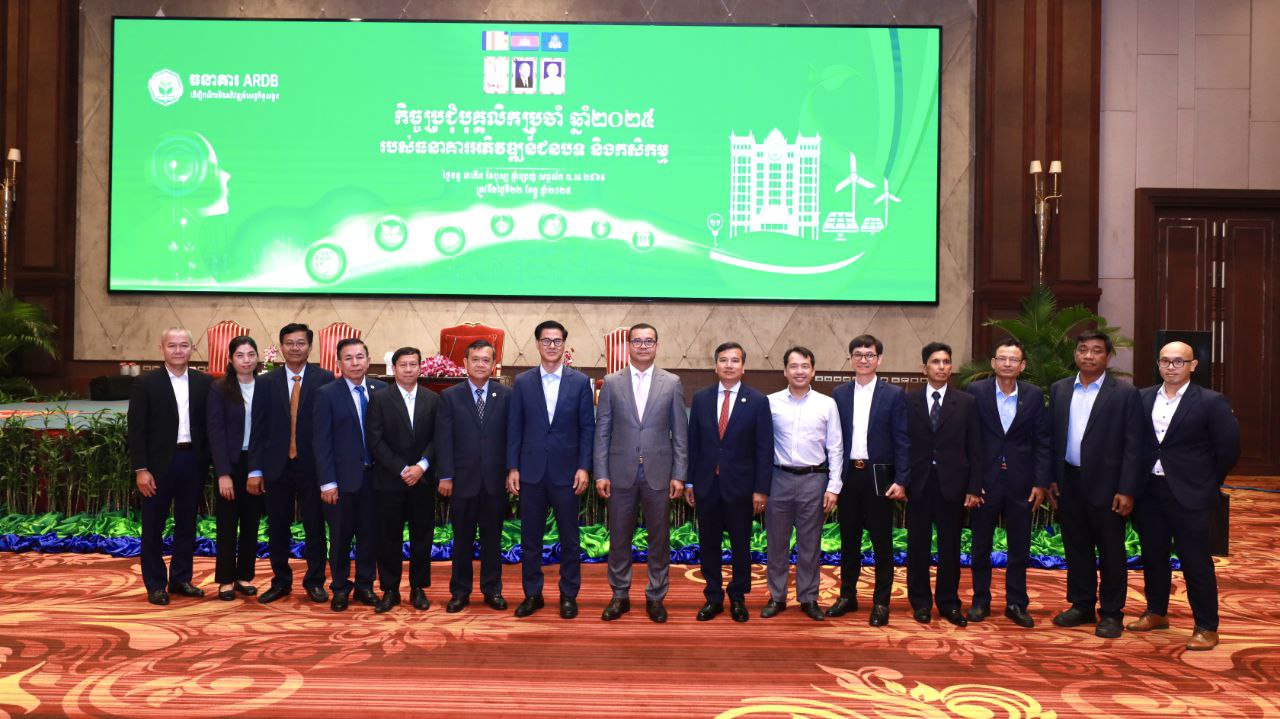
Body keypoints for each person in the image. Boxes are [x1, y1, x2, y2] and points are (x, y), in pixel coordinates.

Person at [1128, 341, 1239, 650]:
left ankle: (1206, 626)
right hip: (1149, 490)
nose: (1171, 367)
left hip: (1191, 493)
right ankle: (1156, 611)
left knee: (1195, 561)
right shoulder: (1142, 397)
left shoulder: (1211, 401)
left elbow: (1228, 449)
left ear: (1193, 366)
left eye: (1179, 361)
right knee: (1153, 555)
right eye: (1165, 361)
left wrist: (1207, 482)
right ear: (1158, 364)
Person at [1047, 330, 1143, 639]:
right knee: (1077, 547)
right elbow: (1052, 438)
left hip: (1109, 486)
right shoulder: (1060, 389)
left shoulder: (1125, 393)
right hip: (1069, 481)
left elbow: (1134, 446)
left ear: (1108, 356)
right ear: (1075, 354)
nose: (1089, 355)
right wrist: (1051, 478)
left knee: (1111, 552)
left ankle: (1112, 612)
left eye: (1096, 350)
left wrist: (1127, 489)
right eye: (1083, 349)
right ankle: (1082, 605)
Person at [594, 323, 689, 623]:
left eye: (649, 341)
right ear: (628, 346)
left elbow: (680, 433)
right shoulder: (612, 383)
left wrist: (679, 474)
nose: (643, 346)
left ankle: (656, 596)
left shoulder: (671, 382)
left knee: (658, 540)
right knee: (619, 538)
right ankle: (619, 595)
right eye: (637, 341)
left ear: (656, 345)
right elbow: (602, 431)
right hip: (619, 472)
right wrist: (600, 472)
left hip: (659, 473)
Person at [507, 320, 595, 619]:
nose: (552, 346)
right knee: (530, 538)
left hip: (567, 473)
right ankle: (533, 594)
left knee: (569, 538)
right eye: (546, 340)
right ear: (537, 344)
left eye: (557, 341)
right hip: (531, 471)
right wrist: (513, 467)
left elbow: (587, 429)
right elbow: (515, 428)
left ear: (564, 345)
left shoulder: (580, 382)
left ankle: (568, 595)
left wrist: (584, 467)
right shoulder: (522, 382)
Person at [684, 341, 773, 622]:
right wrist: (689, 482)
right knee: (708, 544)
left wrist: (761, 489)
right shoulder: (701, 398)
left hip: (741, 488)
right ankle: (713, 597)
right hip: (707, 485)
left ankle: (737, 597)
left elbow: (764, 449)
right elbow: (693, 444)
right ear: (715, 366)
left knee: (740, 545)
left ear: (743, 367)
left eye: (735, 360)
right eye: (723, 360)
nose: (729, 365)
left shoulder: (757, 401)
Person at [965, 338, 1050, 627]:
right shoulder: (976, 391)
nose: (1007, 364)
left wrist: (1040, 482)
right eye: (1002, 358)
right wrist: (973, 482)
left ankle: (1016, 602)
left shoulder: (1033, 395)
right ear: (993, 363)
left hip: (1021, 483)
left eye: (1013, 359)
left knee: (1019, 547)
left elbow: (1042, 441)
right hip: (985, 482)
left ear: (1022, 365)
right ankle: (980, 600)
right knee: (980, 545)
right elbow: (969, 440)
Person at [249, 324, 334, 605]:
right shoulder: (265, 382)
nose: (295, 348)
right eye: (289, 343)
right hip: (277, 466)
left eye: (300, 343)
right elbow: (258, 428)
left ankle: (315, 581)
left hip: (313, 466)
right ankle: (281, 581)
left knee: (314, 527)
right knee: (278, 527)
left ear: (310, 347)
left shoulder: (325, 379)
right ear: (281, 347)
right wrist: (255, 469)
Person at [128, 327, 213, 605]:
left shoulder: (204, 382)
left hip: (193, 461)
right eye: (172, 345)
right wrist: (141, 469)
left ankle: (180, 579)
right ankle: (155, 584)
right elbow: (136, 430)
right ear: (162, 348)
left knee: (187, 524)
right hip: (157, 466)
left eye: (184, 345)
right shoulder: (146, 383)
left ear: (192, 349)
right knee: (153, 526)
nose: (178, 350)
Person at [829, 334, 910, 626]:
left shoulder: (894, 394)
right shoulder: (839, 394)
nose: (864, 360)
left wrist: (902, 479)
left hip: (880, 478)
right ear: (851, 359)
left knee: (881, 543)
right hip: (850, 475)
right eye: (858, 355)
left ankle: (881, 602)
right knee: (849, 541)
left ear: (879, 359)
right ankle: (847, 596)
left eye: (870, 355)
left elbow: (902, 439)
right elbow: (834, 440)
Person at [904, 342, 983, 627]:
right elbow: (903, 445)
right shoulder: (909, 401)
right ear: (924, 367)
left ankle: (949, 603)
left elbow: (976, 448)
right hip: (919, 485)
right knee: (918, 547)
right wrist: (901, 481)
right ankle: (921, 603)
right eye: (935, 362)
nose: (941, 367)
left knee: (950, 547)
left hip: (953, 485)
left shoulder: (966, 402)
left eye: (946, 362)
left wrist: (974, 487)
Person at [762, 347, 843, 621]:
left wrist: (833, 486)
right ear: (785, 371)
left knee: (810, 543)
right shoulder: (770, 402)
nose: (799, 371)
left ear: (813, 371)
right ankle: (777, 596)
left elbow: (835, 447)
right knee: (777, 542)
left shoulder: (827, 404)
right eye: (794, 366)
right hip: (778, 479)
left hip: (814, 480)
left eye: (805, 366)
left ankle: (808, 598)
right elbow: (760, 445)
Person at [436, 339, 511, 613]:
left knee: (492, 540)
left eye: (486, 360)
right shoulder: (449, 396)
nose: (480, 364)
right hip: (462, 482)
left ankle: (492, 590)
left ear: (494, 365)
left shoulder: (506, 395)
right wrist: (445, 476)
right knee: (462, 541)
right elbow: (443, 439)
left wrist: (511, 471)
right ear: (465, 363)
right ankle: (460, 592)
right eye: (475, 359)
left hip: (494, 482)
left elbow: (512, 438)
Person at [313, 338, 387, 611]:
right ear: (339, 364)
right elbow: (321, 442)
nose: (355, 363)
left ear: (368, 360)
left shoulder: (381, 390)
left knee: (370, 535)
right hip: (341, 481)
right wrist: (327, 483)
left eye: (359, 357)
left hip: (375, 479)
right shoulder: (326, 394)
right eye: (348, 358)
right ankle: (340, 588)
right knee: (340, 537)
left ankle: (365, 585)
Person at [366, 347, 439, 613]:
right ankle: (390, 589)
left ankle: (418, 588)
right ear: (394, 368)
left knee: (422, 536)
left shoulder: (433, 399)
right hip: (389, 480)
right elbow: (375, 439)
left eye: (413, 364)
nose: (408, 369)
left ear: (420, 368)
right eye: (403, 365)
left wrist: (421, 466)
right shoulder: (380, 399)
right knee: (388, 537)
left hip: (422, 480)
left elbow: (439, 437)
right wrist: (401, 468)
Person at [206, 335, 265, 601]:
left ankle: (244, 577)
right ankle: (226, 580)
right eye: (240, 355)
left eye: (251, 354)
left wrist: (259, 469)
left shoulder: (265, 387)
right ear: (230, 359)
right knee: (227, 524)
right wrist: (223, 473)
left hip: (256, 462)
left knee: (252, 522)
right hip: (230, 463)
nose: (246, 360)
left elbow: (267, 430)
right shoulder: (219, 388)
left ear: (257, 357)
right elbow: (215, 432)